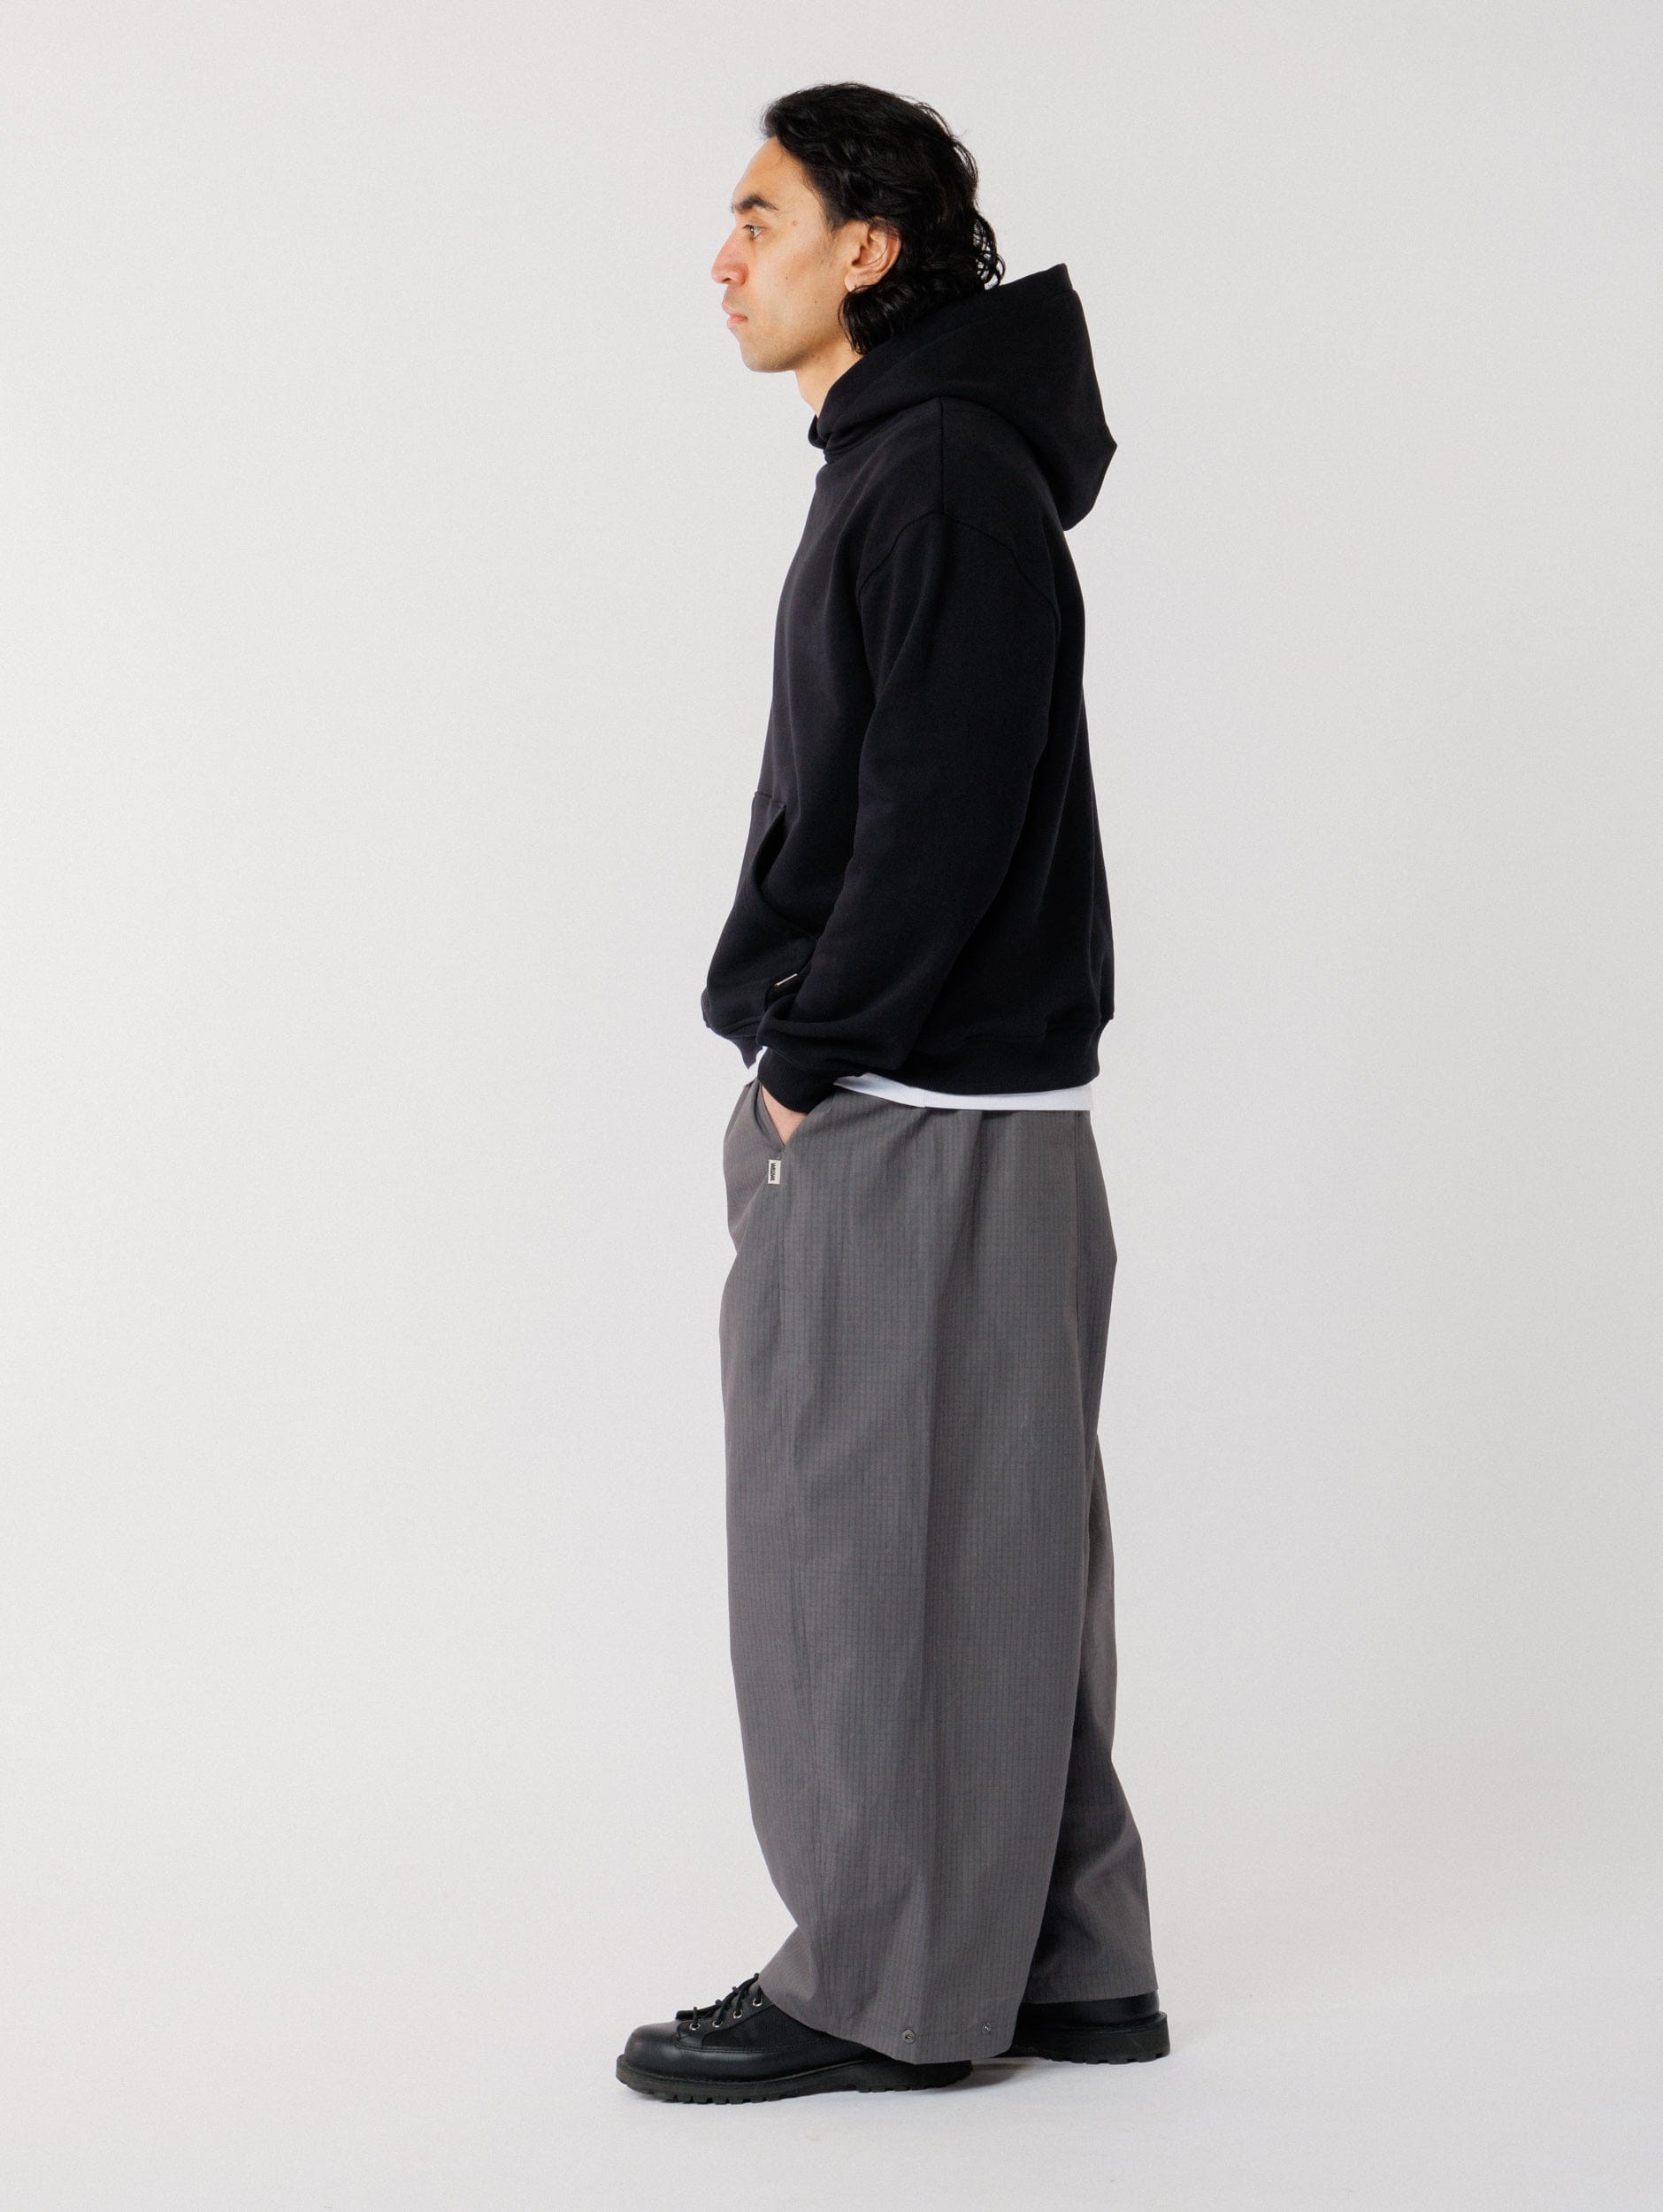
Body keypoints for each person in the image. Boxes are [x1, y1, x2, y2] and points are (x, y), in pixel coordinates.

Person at [617, 82, 1166, 2104]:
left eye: (759, 216)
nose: (723, 257)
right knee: (1004, 1551)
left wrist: (801, 1060)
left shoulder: (928, 470)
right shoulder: (944, 459)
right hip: (989, 1104)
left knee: (849, 1554)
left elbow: (933, 813)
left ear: (869, 246)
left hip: (902, 1100)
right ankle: (1067, 1959)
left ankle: (876, 1981)